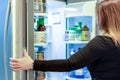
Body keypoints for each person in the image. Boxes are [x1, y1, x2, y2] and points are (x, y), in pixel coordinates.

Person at [10, 0, 120, 80]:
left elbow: (69, 64)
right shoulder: (114, 42)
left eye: (98, 15)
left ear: (104, 18)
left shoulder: (103, 42)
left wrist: (33, 64)